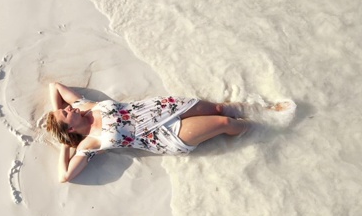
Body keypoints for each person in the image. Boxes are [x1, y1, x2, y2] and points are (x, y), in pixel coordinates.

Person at [45, 82, 289, 183]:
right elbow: (64, 176)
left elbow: (54, 86)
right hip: (164, 136)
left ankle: (266, 110)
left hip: (163, 107)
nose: (67, 108)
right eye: (66, 114)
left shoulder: (82, 106)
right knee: (224, 122)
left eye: (64, 109)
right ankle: (263, 130)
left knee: (218, 107)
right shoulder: (89, 143)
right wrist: (67, 144)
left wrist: (59, 118)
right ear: (72, 129)